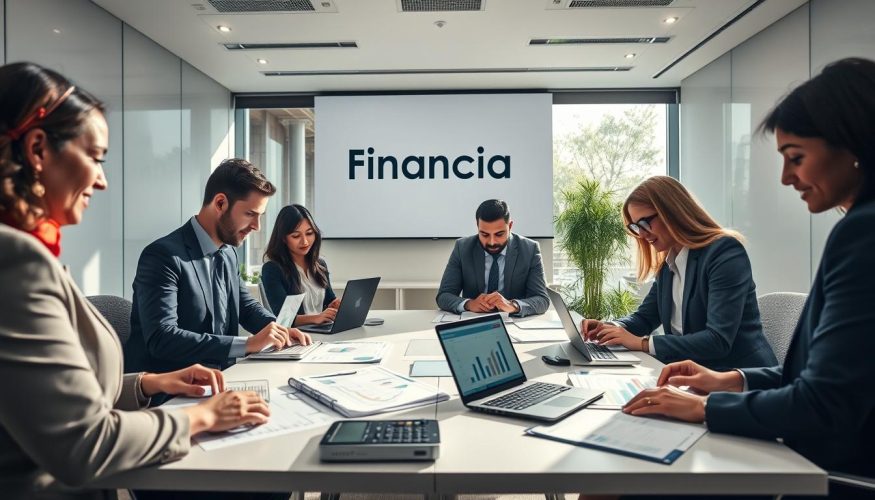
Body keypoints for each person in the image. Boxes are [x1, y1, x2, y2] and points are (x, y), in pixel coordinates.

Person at [0, 62, 271, 500]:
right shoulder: (15, 261)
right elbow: (81, 443)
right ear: (37, 149)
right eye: (95, 158)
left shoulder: (30, 254)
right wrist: (201, 418)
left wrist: (150, 383)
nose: (103, 180)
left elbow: (60, 401)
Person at [624, 58, 875, 497]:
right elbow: (827, 382)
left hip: (816, 468)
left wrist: (706, 407)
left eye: (796, 157)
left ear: (854, 143)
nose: (785, 177)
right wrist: (729, 381)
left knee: (617, 473)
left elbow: (823, 405)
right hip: (792, 434)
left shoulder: (863, 234)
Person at [126, 158, 311, 376]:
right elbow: (163, 338)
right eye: (250, 214)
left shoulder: (228, 253)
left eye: (260, 217)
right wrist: (248, 344)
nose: (257, 226)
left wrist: (279, 329)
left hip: (223, 377)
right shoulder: (163, 256)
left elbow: (245, 306)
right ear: (220, 204)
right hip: (171, 389)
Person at [579, 176, 777, 370]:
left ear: (672, 212)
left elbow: (717, 340)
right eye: (635, 227)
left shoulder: (724, 253)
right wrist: (609, 328)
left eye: (645, 223)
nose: (641, 234)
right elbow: (645, 318)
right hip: (690, 373)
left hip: (737, 379)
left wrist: (643, 344)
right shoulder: (669, 263)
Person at [436, 199, 549, 317]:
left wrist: (513, 306)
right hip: (474, 322)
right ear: (477, 226)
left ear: (510, 226)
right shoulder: (462, 248)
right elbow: (443, 296)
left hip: (514, 323)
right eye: (484, 234)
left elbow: (542, 299)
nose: (492, 242)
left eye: (499, 234)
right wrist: (469, 304)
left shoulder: (530, 249)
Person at [261, 204, 340, 325]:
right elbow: (283, 318)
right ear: (283, 238)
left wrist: (334, 305)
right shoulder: (272, 269)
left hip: (321, 331)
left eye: (309, 233)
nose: (305, 241)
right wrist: (316, 318)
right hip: (296, 335)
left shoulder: (320, 264)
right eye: (296, 236)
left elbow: (329, 300)